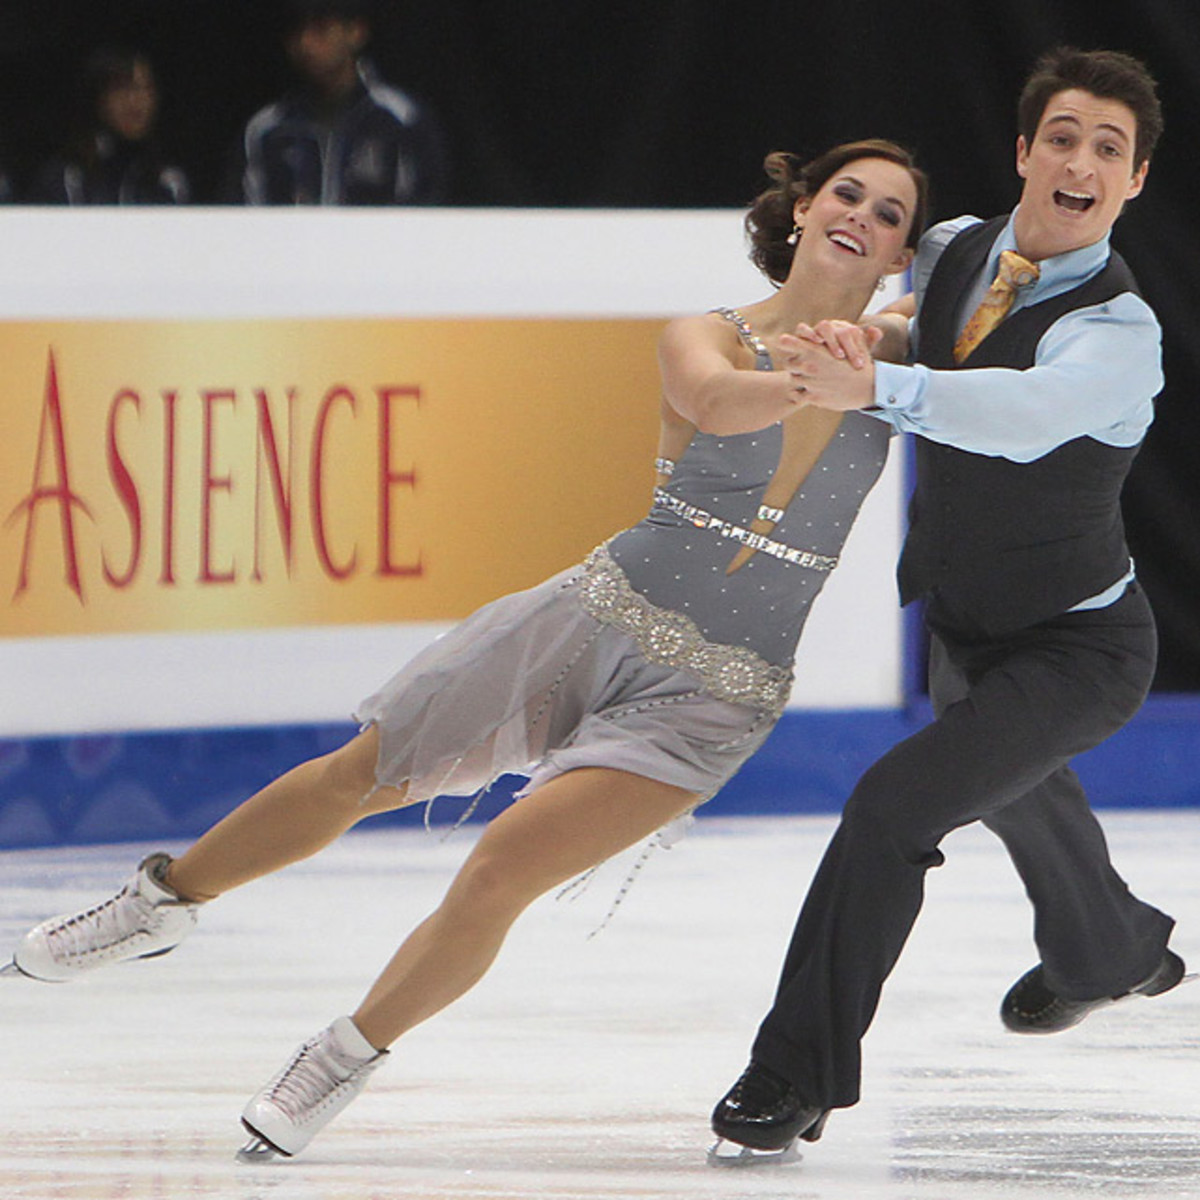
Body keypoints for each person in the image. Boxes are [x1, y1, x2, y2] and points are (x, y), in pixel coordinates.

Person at [8, 138, 926, 1160]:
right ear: (802, 207)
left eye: (891, 214)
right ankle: (161, 902)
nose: (864, 216)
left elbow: (1014, 295)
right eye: (849, 192)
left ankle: (346, 1053)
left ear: (899, 253)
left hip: (714, 697)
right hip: (588, 623)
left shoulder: (903, 355)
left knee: (498, 871)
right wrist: (818, 381)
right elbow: (712, 405)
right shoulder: (704, 334)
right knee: (360, 772)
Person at [710, 47, 1185, 1162]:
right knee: (1022, 795)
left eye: (1107, 150)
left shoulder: (1121, 333)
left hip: (1081, 648)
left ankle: (794, 1073)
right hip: (967, 623)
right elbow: (924, 317)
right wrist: (858, 336)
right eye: (1061, 137)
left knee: (891, 809)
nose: (1080, 162)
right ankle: (1108, 953)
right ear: (1025, 152)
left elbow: (1019, 412)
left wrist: (872, 382)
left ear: (1134, 183)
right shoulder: (959, 248)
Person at [226, 0, 448, 205]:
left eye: (321, 30)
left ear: (356, 32)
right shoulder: (266, 130)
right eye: (296, 33)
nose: (306, 44)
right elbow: (240, 222)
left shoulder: (400, 120)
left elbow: (422, 217)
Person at [28, 46, 190, 205]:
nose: (136, 101)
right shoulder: (66, 180)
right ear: (98, 97)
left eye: (146, 88)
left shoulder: (167, 181)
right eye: (123, 88)